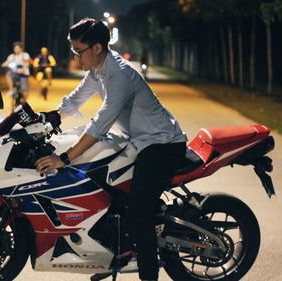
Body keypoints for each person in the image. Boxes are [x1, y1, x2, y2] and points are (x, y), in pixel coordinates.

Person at [34, 18, 187, 281]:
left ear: (95, 48)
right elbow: (74, 101)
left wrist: (64, 158)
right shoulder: (97, 70)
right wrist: (45, 119)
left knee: (140, 212)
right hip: (136, 140)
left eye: (77, 50)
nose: (75, 56)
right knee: (100, 184)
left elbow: (100, 123)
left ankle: (148, 275)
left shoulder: (118, 75)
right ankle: (113, 251)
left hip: (161, 144)